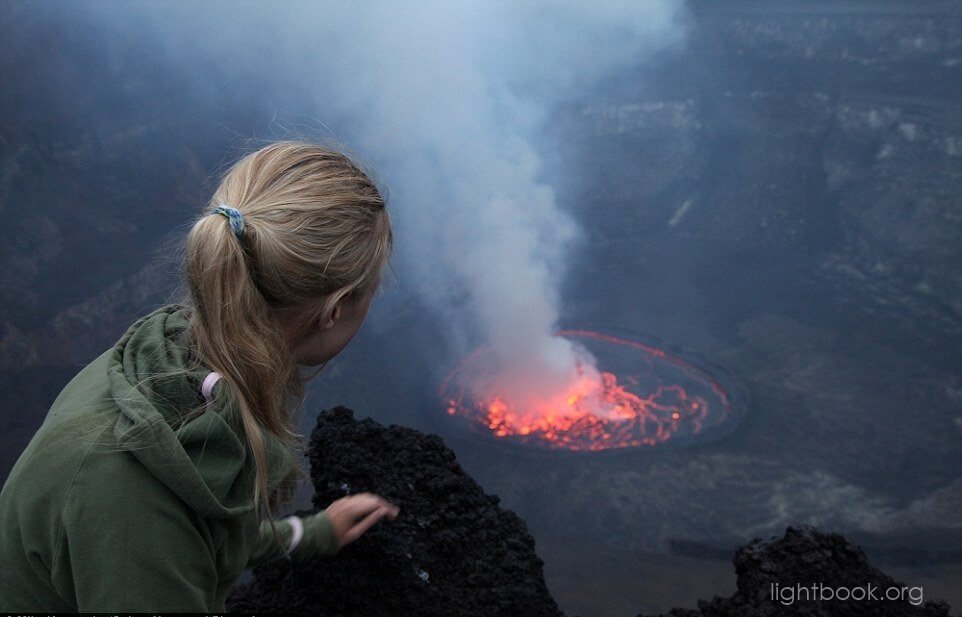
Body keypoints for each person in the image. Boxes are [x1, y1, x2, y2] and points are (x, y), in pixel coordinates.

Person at [0, 141, 400, 611]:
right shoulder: (135, 494)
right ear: (332, 312)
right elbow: (160, 533)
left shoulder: (167, 360)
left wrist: (309, 533)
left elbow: (197, 533)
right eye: (373, 289)